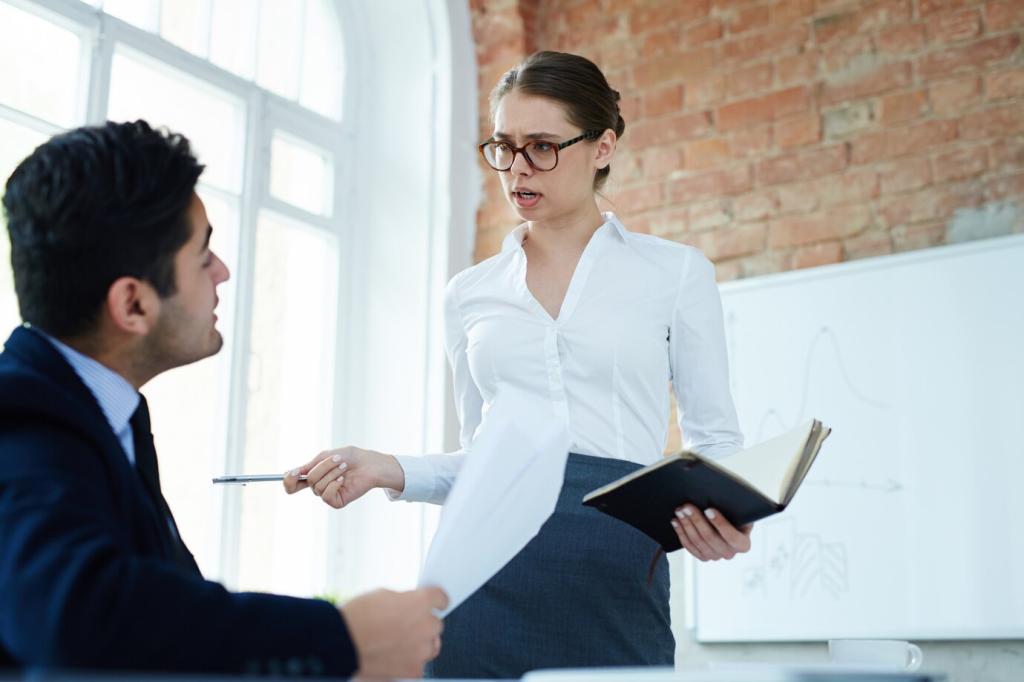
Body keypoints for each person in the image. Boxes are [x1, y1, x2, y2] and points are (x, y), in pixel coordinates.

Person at [284, 51, 752, 678]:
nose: (518, 168)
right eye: (504, 147)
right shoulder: (468, 294)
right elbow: (483, 459)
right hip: (479, 576)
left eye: (542, 147)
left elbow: (716, 439)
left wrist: (724, 514)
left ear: (602, 147)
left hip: (614, 569)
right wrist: (386, 469)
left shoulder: (675, 273)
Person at [0, 120, 447, 678]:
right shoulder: (23, 418)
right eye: (202, 254)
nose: (223, 272)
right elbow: (73, 615)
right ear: (133, 305)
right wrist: (343, 638)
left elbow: (159, 625)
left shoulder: (103, 411)